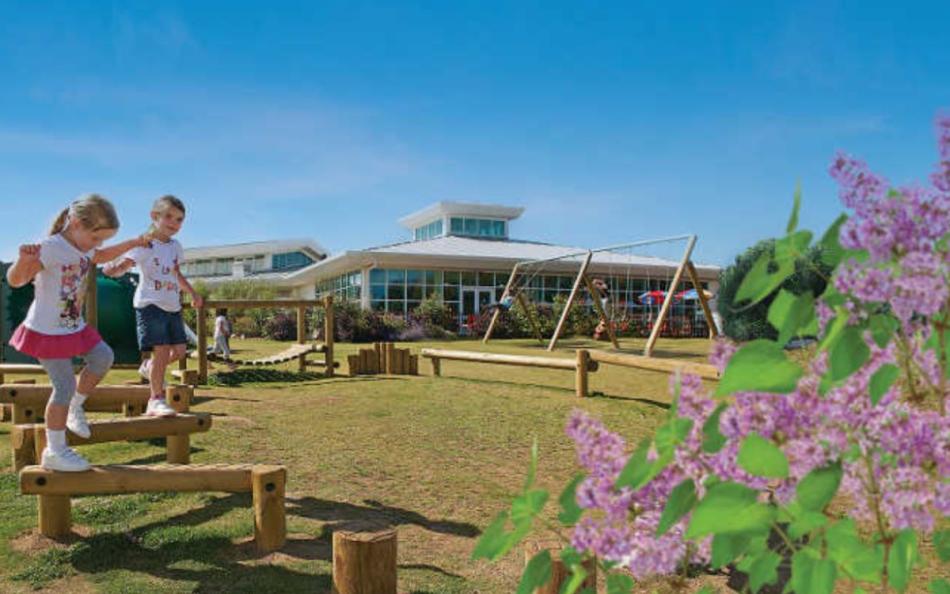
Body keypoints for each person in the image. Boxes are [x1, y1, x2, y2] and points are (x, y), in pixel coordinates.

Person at [7, 194, 149, 471]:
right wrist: (23, 261)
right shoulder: (51, 248)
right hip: (47, 331)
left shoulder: (84, 248)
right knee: (63, 386)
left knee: (103, 357)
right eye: (96, 238)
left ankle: (75, 406)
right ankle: (55, 451)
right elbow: (16, 280)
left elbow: (102, 256)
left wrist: (134, 242)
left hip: (73, 326)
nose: (99, 245)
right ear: (75, 223)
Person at [104, 195, 202, 416]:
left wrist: (193, 292)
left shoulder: (176, 246)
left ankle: (149, 369)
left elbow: (176, 274)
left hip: (172, 305)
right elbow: (123, 266)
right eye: (168, 216)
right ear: (154, 216)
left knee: (180, 350)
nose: (173, 223)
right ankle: (155, 399)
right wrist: (114, 269)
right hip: (150, 304)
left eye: (179, 219)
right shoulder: (145, 244)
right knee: (162, 351)